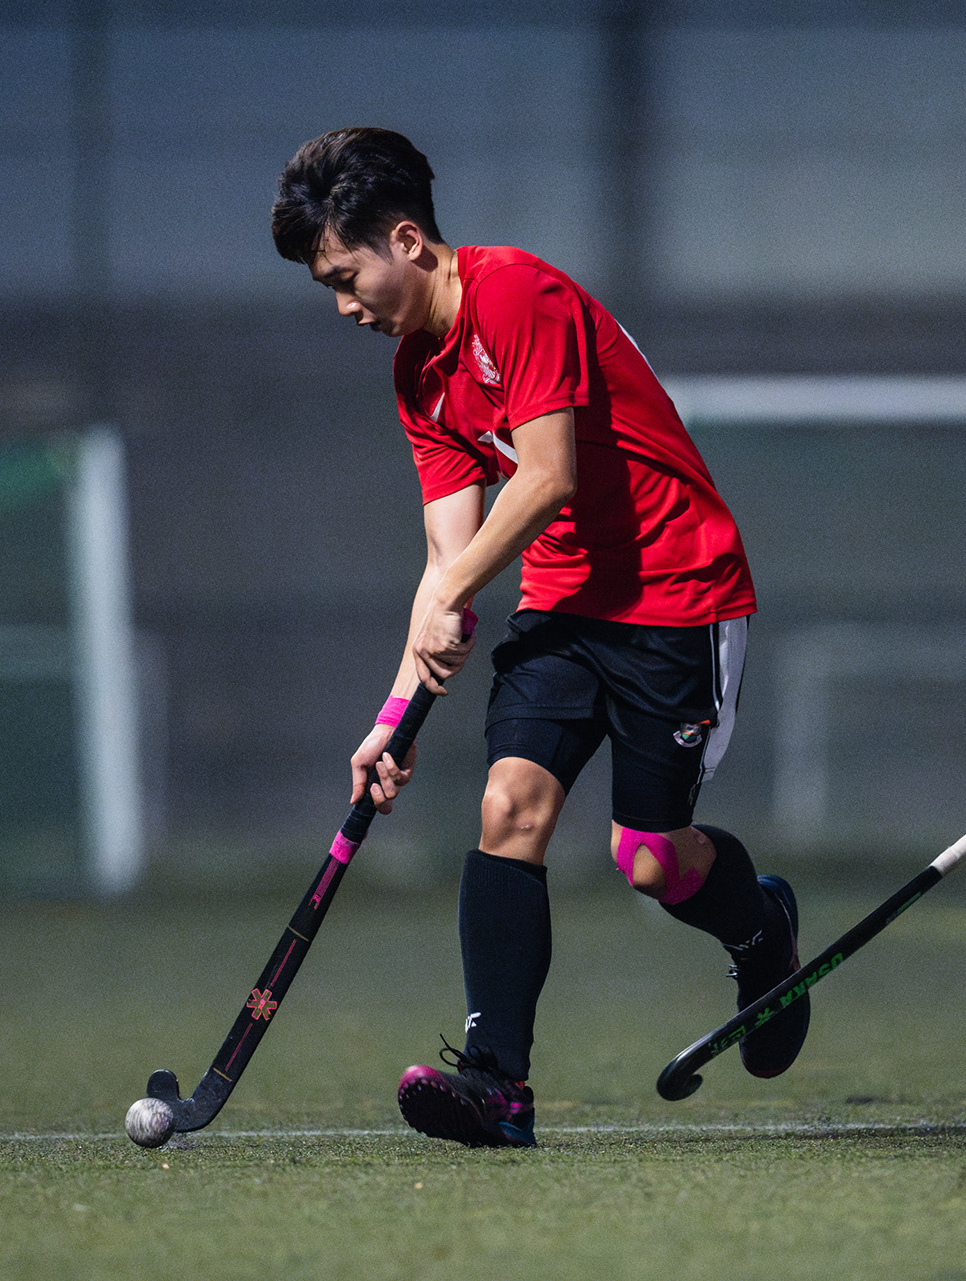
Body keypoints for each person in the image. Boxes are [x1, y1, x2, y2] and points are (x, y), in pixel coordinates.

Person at [270, 127, 808, 1148]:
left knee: (649, 860)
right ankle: (497, 1087)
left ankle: (759, 930)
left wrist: (457, 592)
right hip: (562, 604)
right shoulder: (418, 376)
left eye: (345, 277)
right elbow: (447, 560)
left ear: (406, 240)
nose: (344, 306)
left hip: (678, 593)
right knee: (508, 806)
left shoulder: (516, 293)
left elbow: (549, 474)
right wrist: (394, 717)